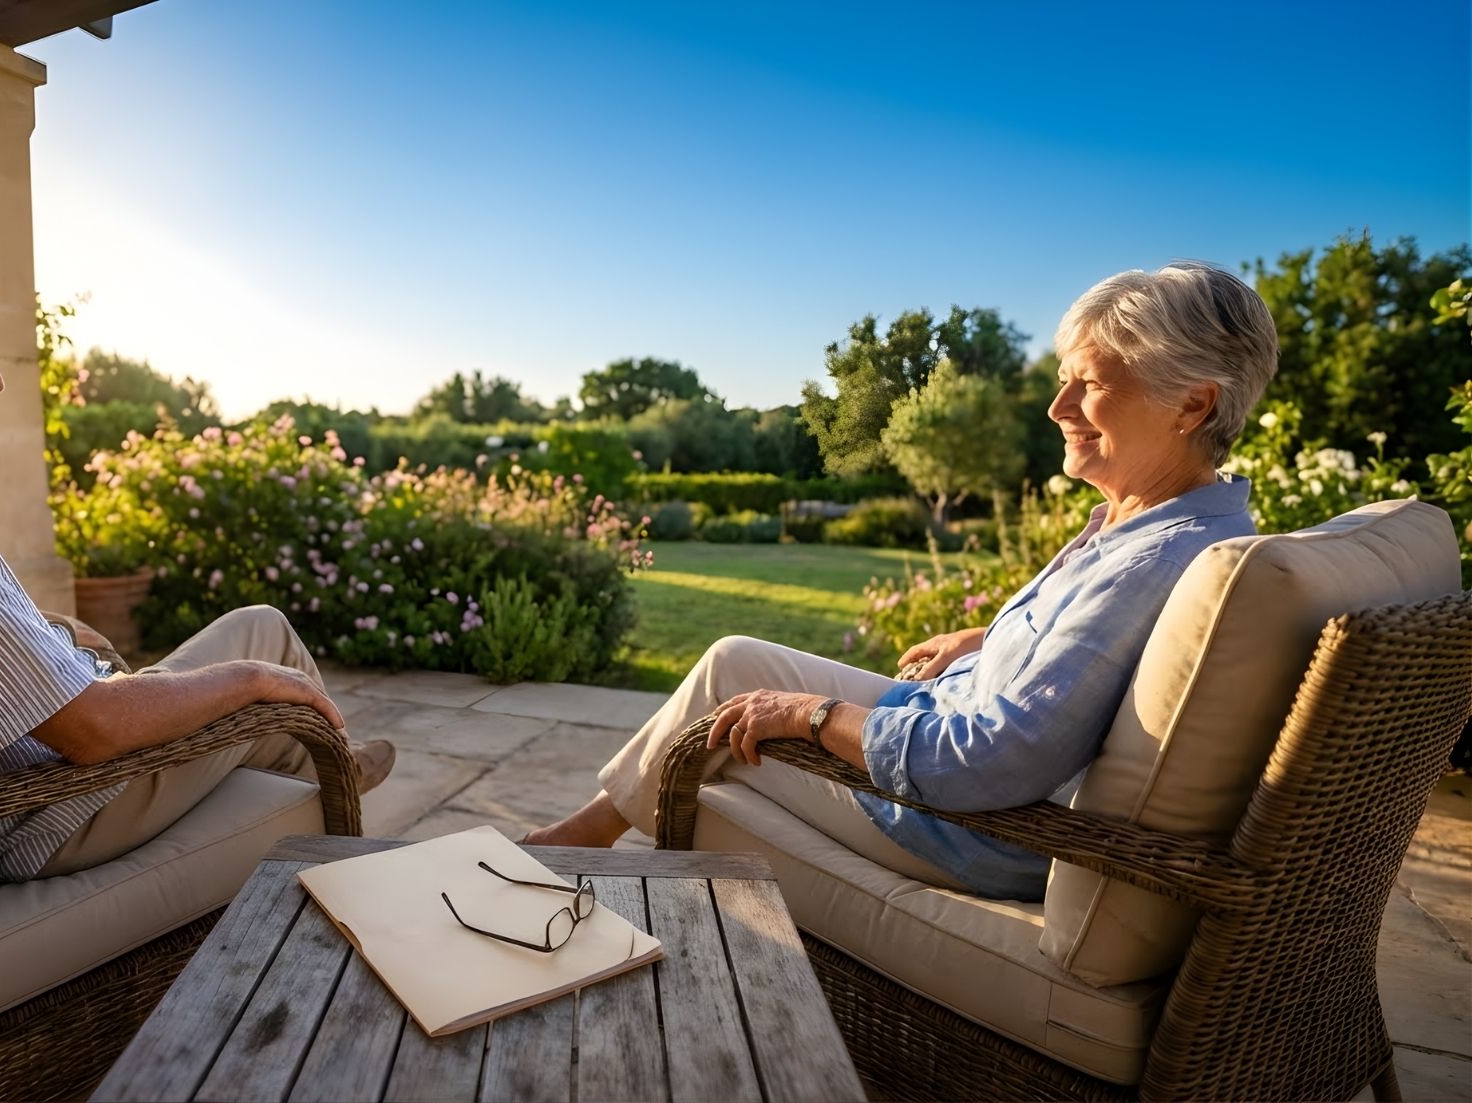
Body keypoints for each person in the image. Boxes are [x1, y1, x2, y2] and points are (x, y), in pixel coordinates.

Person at [524, 262, 1279, 901]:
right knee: (731, 662)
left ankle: (581, 861)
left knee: (715, 753)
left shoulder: (1161, 556)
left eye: (1087, 384)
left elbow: (987, 760)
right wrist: (989, 638)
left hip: (962, 822)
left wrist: (814, 715)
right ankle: (583, 832)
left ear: (1192, 402)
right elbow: (1101, 662)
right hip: (948, 723)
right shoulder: (1158, 524)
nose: (1058, 408)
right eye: (1061, 381)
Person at [0, 233, 394, 884]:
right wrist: (252, 681)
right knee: (268, 652)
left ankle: (317, 786)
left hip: (15, 785)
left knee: (252, 645)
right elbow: (92, 727)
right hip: (49, 809)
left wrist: (47, 629)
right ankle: (334, 821)